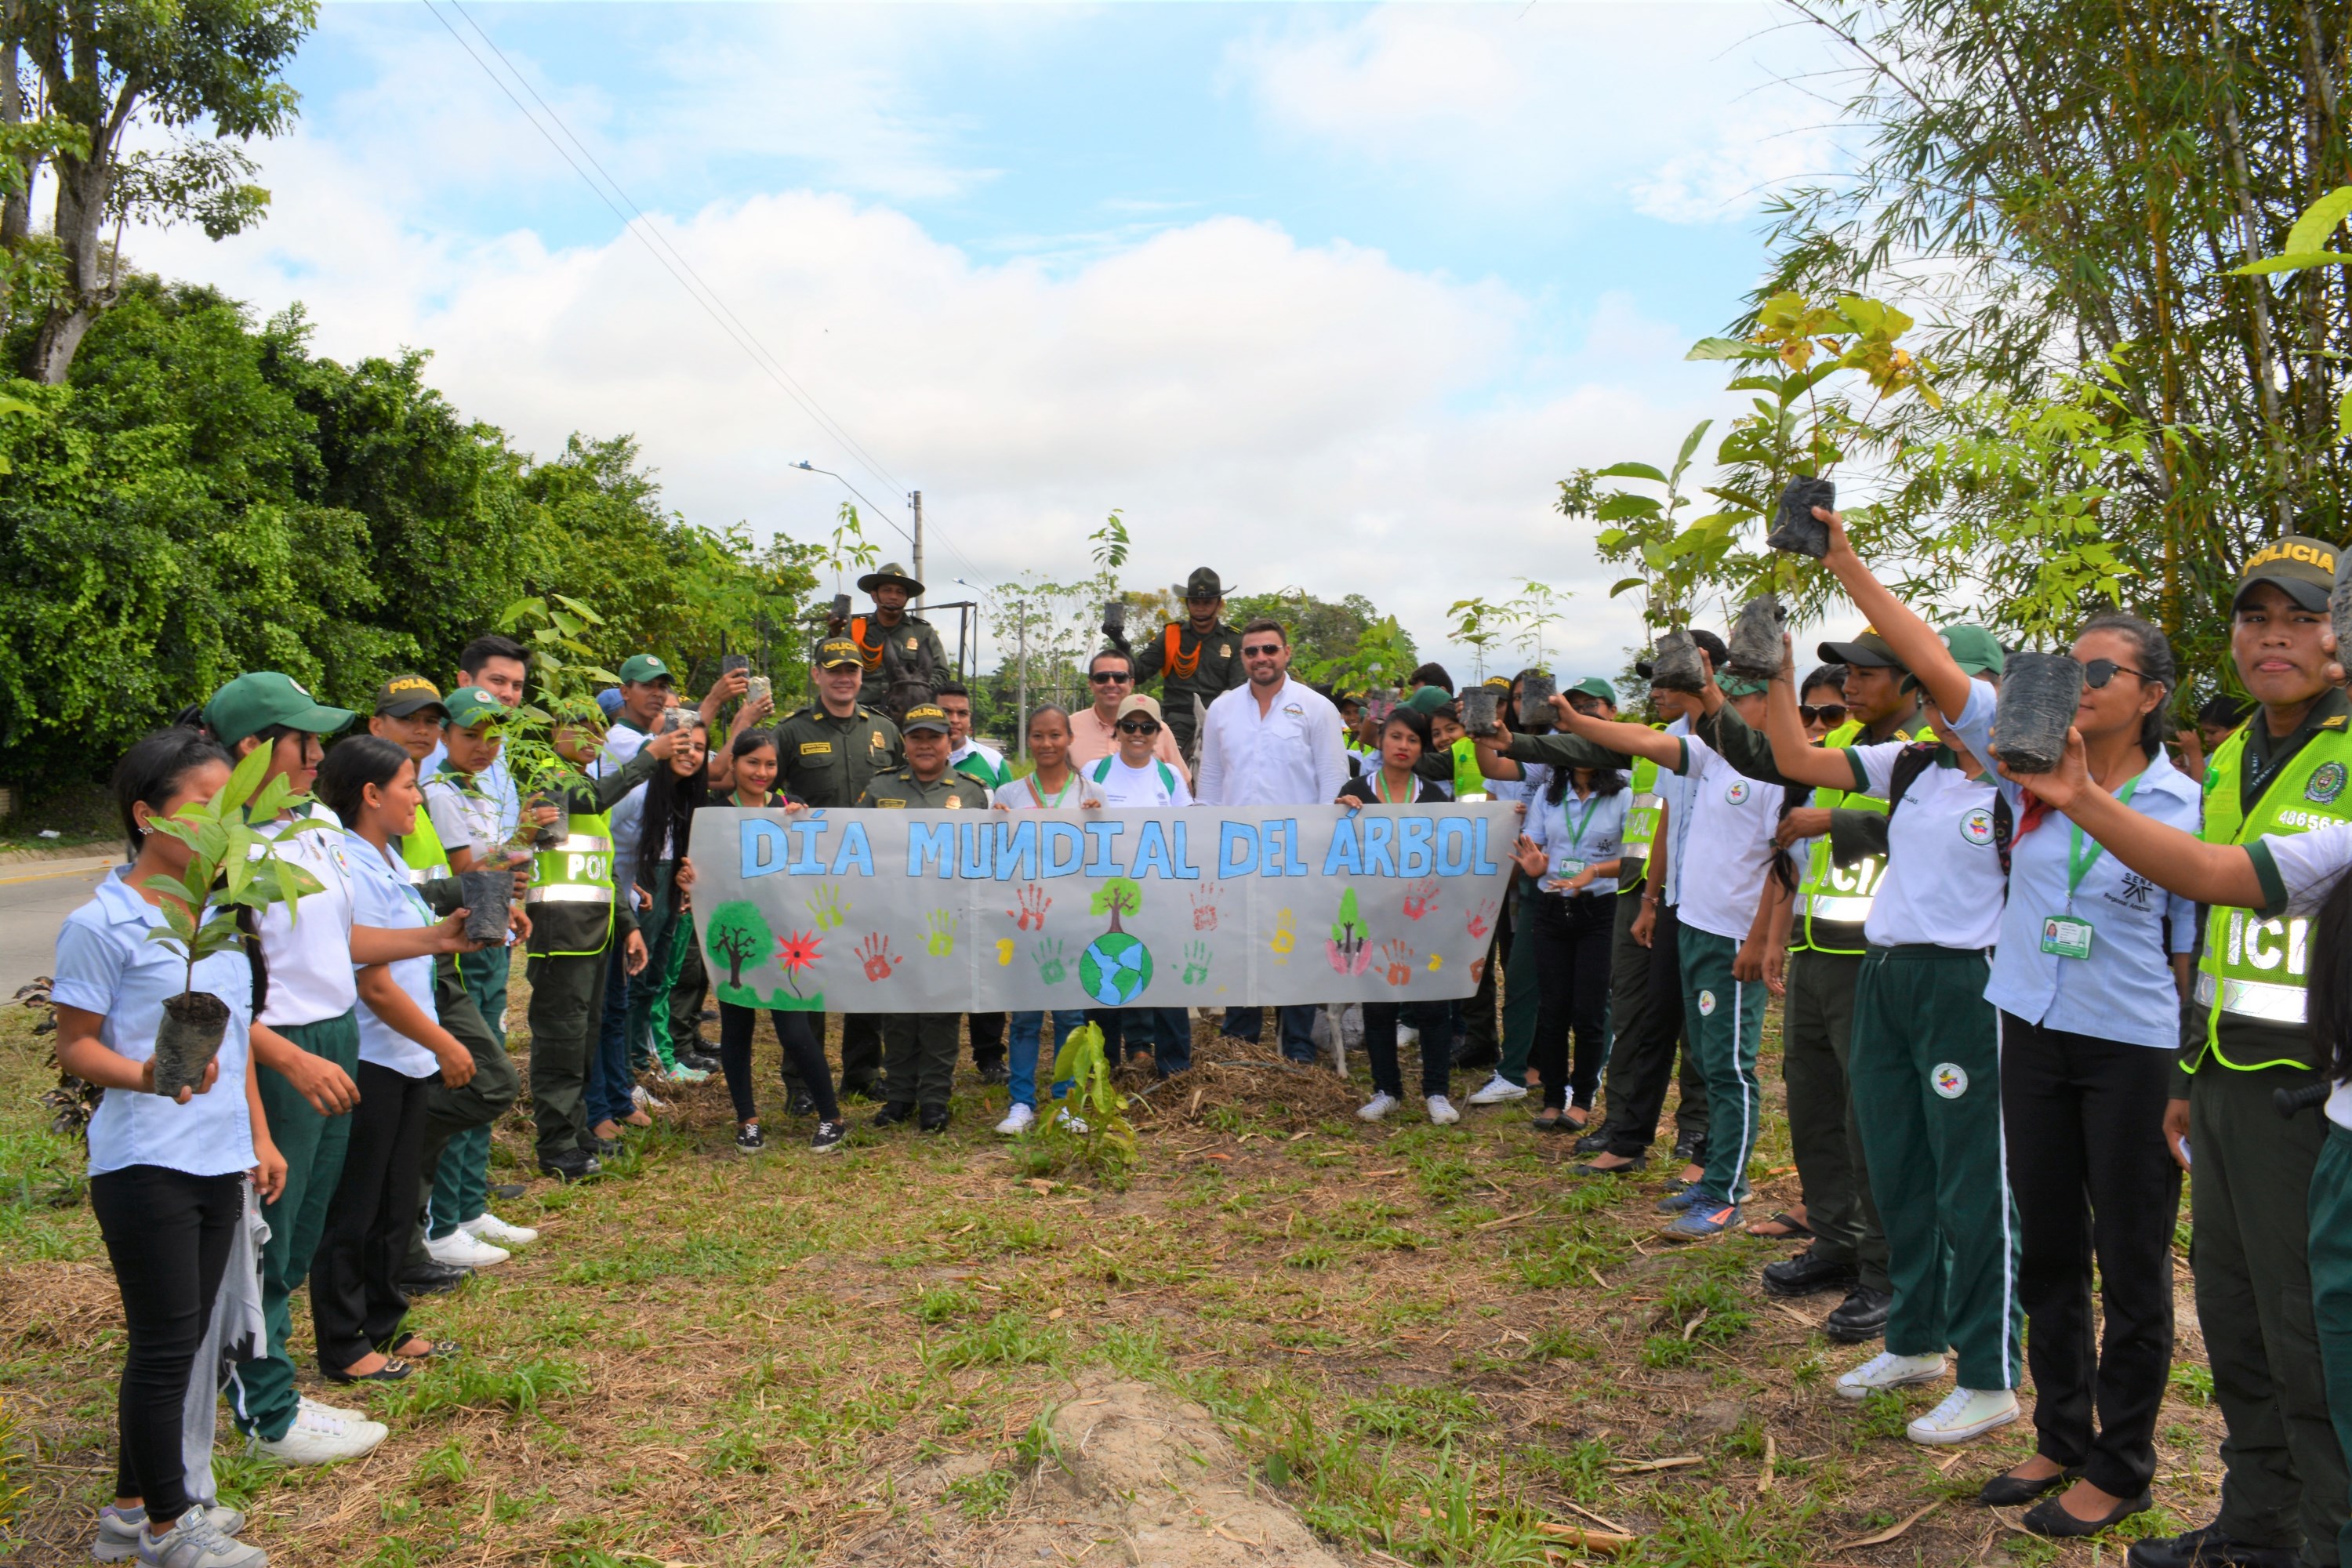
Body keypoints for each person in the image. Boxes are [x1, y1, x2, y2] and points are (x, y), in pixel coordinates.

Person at [2020, 535, 2352, 1568]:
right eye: (2257, 619)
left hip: (2311, 1092)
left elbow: (2223, 878)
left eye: (2301, 617)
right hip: (2223, 1084)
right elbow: (2204, 940)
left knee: (2310, 1346)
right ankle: (2255, 1530)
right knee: (2240, 1326)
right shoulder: (2239, 754)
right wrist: (2186, 1069)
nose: (2276, 637)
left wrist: (2082, 798)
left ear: (2341, 640)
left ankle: (2323, 1537)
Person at [1747, 512, 2024, 1446]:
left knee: (1968, 1180)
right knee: (1896, 1162)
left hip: (1964, 987)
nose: (1944, 701)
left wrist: (1847, 562)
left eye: (1955, 683)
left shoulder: (2011, 773)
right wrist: (1781, 675)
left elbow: (1932, 667)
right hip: (1889, 974)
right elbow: (1795, 760)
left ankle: (1988, 1371)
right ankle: (1916, 1336)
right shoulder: (1913, 766)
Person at [1950, 614, 2190, 1535]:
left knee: (2131, 1258)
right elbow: (1940, 674)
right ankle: (2061, 1430)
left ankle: (2123, 1462)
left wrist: (2184, 1076)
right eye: (2069, 665)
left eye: (2105, 668)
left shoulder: (2183, 806)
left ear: (2152, 694)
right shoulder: (2029, 781)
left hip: (2133, 1045)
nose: (2082, 681)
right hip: (2031, 1023)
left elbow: (2185, 953)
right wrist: (1843, 557)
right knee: (2049, 1241)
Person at [195, 674, 469, 1466]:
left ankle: (271, 1376)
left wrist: (433, 939)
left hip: (335, 1029)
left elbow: (340, 942)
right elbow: (205, 981)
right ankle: (267, 1408)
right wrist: (281, 1050)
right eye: (303, 741)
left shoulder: (310, 823)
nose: (320, 756)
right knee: (269, 1228)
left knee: (304, 1225)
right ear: (251, 750)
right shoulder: (223, 842)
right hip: (281, 1046)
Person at [56, 729, 296, 1568]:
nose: (222, 825)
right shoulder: (103, 921)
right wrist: (146, 1074)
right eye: (204, 807)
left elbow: (239, 1043)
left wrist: (259, 1135)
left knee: (188, 1340)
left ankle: (129, 1510)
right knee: (163, 1344)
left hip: (218, 1154)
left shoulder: (219, 917)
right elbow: (75, 1045)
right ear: (147, 814)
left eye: (231, 808)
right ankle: (167, 1525)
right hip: (145, 1159)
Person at [1697, 638, 1925, 1346]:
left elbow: (1955, 826)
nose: (1851, 689)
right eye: (1846, 675)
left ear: (1911, 681)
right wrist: (1776, 934)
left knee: (1874, 1122)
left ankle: (1886, 1275)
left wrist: (1840, 819)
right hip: (1818, 950)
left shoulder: (1928, 752)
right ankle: (1835, 1239)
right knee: (1816, 1106)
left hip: (1877, 961)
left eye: (1865, 676)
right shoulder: (1846, 746)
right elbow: (1770, 769)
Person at [1547, 655, 1784, 1243]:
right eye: (1713, 697)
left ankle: (1728, 1193)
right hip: (1695, 929)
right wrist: (1578, 722)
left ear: (1763, 704)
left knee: (1731, 1068)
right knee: (1708, 1060)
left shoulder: (1780, 770)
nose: (1713, 709)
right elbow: (1642, 741)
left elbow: (1786, 868)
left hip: (1734, 939)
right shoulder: (1712, 758)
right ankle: (1713, 1180)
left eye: (1729, 698)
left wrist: (1762, 940)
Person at [310, 738, 477, 1388]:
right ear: (371, 794)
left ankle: (385, 1324)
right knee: (356, 1209)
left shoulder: (386, 859)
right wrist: (444, 1042)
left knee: (393, 1203)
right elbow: (374, 982)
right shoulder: (348, 864)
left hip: (404, 1058)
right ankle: (345, 1344)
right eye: (409, 784)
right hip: (374, 1056)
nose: (419, 795)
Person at [368, 680, 532, 1283]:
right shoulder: (402, 798)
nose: (423, 733)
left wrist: (481, 891)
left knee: (478, 1080)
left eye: (431, 722)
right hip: (414, 962)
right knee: (457, 1085)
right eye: (409, 720)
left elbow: (426, 885)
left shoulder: (424, 795)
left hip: (437, 954)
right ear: (375, 724)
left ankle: (446, 1213)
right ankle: (425, 1228)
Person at [413, 685, 535, 1276]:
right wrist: (524, 842)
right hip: (456, 943)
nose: (485, 746)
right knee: (471, 1073)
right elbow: (470, 872)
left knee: (488, 1059)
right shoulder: (438, 793)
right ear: (443, 737)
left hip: (487, 937)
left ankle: (468, 1205)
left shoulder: (477, 789)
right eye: (470, 735)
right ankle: (444, 1221)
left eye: (494, 735)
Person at [523, 705, 673, 1181]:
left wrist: (627, 923)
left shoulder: (582, 786)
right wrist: (650, 757)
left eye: (596, 730)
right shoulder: (551, 779)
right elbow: (594, 799)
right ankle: (557, 1146)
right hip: (560, 937)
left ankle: (579, 1129)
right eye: (578, 728)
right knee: (561, 1044)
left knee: (585, 1039)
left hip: (595, 936)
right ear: (553, 732)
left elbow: (603, 870)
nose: (590, 738)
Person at [1195, 619, 1349, 1062]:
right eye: (1251, 652)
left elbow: (1332, 779)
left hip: (1297, 850)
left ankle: (1296, 1045)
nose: (1260, 658)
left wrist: (1320, 847)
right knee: (1242, 941)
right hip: (1238, 850)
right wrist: (1209, 842)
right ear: (1242, 658)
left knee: (1295, 943)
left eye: (1269, 649)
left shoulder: (1317, 708)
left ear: (1287, 653)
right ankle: (1240, 1039)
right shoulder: (1223, 709)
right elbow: (1210, 783)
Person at [691, 728, 849, 1155]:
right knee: (736, 1030)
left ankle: (831, 1117)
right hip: (733, 935)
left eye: (770, 764)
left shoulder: (790, 810)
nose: (762, 772)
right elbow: (699, 872)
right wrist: (688, 878)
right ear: (734, 765)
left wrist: (802, 825)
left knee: (795, 1030)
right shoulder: (712, 815)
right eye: (752, 763)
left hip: (784, 938)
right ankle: (747, 1120)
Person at [776, 637, 906, 1102]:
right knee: (806, 973)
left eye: (851, 669)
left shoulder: (886, 731)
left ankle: (864, 1072)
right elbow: (761, 792)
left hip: (871, 874)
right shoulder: (791, 732)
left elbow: (907, 789)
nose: (843, 677)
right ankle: (802, 1081)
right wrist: (783, 807)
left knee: (868, 964)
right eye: (833, 669)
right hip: (810, 876)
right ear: (817, 675)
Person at [857, 702, 992, 1128]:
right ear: (905, 742)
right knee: (897, 1010)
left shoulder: (971, 791)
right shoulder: (879, 789)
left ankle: (934, 1098)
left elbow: (989, 855)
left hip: (946, 920)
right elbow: (849, 845)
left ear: (949, 740)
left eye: (934, 736)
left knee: (940, 1010)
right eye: (916, 737)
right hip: (893, 916)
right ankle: (899, 1096)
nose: (926, 745)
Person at [1337, 705, 1457, 1123]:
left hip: (1422, 915)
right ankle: (1386, 1089)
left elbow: (1454, 849)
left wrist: (1502, 822)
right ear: (1381, 740)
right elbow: (1333, 845)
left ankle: (1437, 1092)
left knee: (1432, 1003)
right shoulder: (1356, 788)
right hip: (1373, 914)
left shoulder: (1434, 795)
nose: (1403, 746)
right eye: (1396, 737)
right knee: (1379, 1005)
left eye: (1413, 740)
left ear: (1421, 748)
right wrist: (1337, 811)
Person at [989, 704, 1102, 1134]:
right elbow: (997, 860)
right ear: (1029, 741)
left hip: (1072, 921)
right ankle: (1021, 1103)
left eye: (1055, 735)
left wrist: (1097, 821)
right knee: (1025, 1018)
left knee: (1071, 1017)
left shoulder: (1090, 793)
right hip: (1026, 920)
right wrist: (995, 826)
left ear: (1069, 738)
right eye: (1038, 736)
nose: (1047, 744)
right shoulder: (1010, 795)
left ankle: (1066, 1102)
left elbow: (1104, 856)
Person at [599, 715, 710, 1144]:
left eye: (699, 748)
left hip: (661, 893)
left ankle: (633, 1076)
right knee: (624, 993)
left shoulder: (686, 796)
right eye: (681, 746)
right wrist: (630, 892)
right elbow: (601, 839)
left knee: (651, 985)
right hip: (625, 902)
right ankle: (622, 1081)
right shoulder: (637, 792)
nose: (690, 755)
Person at [1079, 694, 1195, 1078]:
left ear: (1159, 733)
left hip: (1160, 896)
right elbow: (1078, 826)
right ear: (1117, 730)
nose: (1138, 734)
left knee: (1166, 976)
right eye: (1130, 726)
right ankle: (1104, 1061)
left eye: (1147, 727)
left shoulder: (1170, 776)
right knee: (1107, 970)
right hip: (1109, 895)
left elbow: (1188, 830)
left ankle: (1174, 1065)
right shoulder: (1096, 771)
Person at [1512, 754, 1628, 1133]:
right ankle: (1552, 1098)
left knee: (1590, 1011)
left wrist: (1593, 871)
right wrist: (1537, 865)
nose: (1581, 753)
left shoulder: (1623, 794)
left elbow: (1633, 858)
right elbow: (1541, 851)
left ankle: (1581, 1100)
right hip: (1551, 909)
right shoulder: (1549, 793)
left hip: (1599, 911)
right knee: (1553, 1009)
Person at [939, 681, 1011, 1083]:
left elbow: (1009, 811)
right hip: (933, 883)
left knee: (986, 968)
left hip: (981, 878)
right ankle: (936, 1057)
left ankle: (989, 1055)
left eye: (961, 713)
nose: (954, 720)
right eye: (946, 712)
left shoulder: (992, 762)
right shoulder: (917, 754)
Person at [1120, 567, 1250, 759]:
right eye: (1195, 601)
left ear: (1219, 604)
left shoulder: (1234, 640)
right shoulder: (1171, 635)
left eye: (1207, 602)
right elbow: (1139, 674)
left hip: (1219, 721)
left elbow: (1239, 689)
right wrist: (1121, 643)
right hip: (1177, 722)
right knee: (1163, 767)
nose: (1201, 606)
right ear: (1187, 603)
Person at [1068, 647, 1192, 784]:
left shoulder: (1159, 730)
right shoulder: (1069, 728)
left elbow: (1183, 785)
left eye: (1119, 678)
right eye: (1102, 678)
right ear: (1090, 683)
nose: (1111, 684)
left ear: (1131, 683)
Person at [844, 561, 950, 712]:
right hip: (862, 710)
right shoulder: (855, 629)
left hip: (909, 711)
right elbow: (826, 658)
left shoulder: (922, 632)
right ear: (874, 596)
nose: (893, 597)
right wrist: (834, 633)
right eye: (887, 590)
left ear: (907, 598)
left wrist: (917, 688)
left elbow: (941, 673)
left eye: (900, 592)